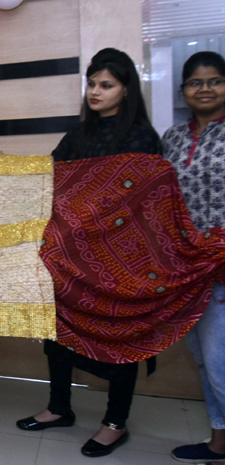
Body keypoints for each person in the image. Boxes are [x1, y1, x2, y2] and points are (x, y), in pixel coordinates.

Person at [13, 48, 162, 458]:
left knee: (119, 341)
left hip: (119, 262)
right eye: (92, 83)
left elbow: (141, 202)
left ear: (126, 90)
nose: (95, 91)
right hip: (74, 258)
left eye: (106, 85)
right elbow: (48, 176)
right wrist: (1, 166)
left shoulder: (142, 138)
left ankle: (115, 423)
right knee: (59, 335)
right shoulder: (79, 134)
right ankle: (59, 408)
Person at [162, 51, 225, 464]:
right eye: (195, 83)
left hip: (223, 268)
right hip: (187, 269)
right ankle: (219, 444)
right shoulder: (172, 138)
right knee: (205, 361)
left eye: (215, 81)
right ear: (183, 90)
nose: (204, 89)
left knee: (221, 363)